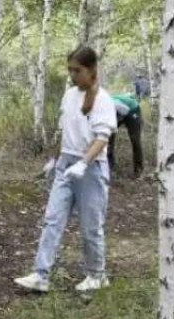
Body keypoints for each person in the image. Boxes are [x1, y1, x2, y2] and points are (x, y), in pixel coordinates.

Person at [14, 46, 117, 294]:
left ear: (91, 70)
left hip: (90, 168)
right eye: (70, 70)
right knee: (52, 219)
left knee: (90, 224)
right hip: (66, 164)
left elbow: (102, 137)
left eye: (77, 70)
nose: (72, 75)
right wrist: (55, 160)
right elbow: (65, 132)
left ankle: (96, 274)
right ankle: (41, 274)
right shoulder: (70, 95)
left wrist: (84, 163)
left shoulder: (103, 99)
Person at [108, 93, 144, 179]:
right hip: (116, 113)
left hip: (131, 110)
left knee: (135, 140)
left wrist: (114, 122)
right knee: (108, 139)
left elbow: (125, 111)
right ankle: (110, 166)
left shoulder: (110, 104)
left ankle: (138, 170)